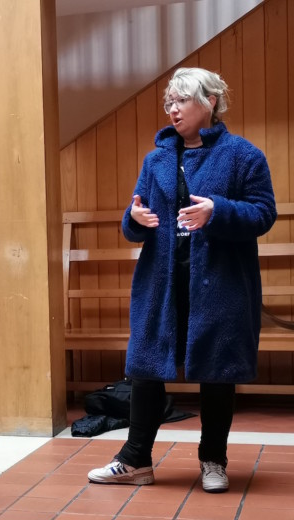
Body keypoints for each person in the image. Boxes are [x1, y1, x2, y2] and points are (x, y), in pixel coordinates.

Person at [87, 67, 276, 493]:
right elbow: (135, 220)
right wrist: (134, 219)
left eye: (182, 100)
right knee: (146, 368)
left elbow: (264, 214)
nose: (173, 109)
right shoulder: (155, 160)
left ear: (210, 101)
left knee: (217, 372)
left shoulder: (243, 155)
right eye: (169, 102)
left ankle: (214, 460)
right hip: (162, 284)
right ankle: (135, 460)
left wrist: (217, 211)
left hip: (220, 285)